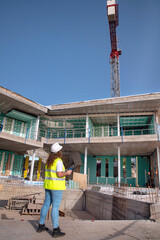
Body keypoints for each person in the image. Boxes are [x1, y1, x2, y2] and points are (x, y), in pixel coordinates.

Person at [37, 142, 72, 237]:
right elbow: (59, 174)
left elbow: (52, 173)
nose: (61, 151)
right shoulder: (58, 161)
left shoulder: (49, 161)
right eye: (60, 150)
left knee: (46, 205)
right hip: (56, 187)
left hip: (48, 186)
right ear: (58, 152)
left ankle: (41, 225)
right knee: (55, 207)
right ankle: (56, 229)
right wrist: (67, 173)